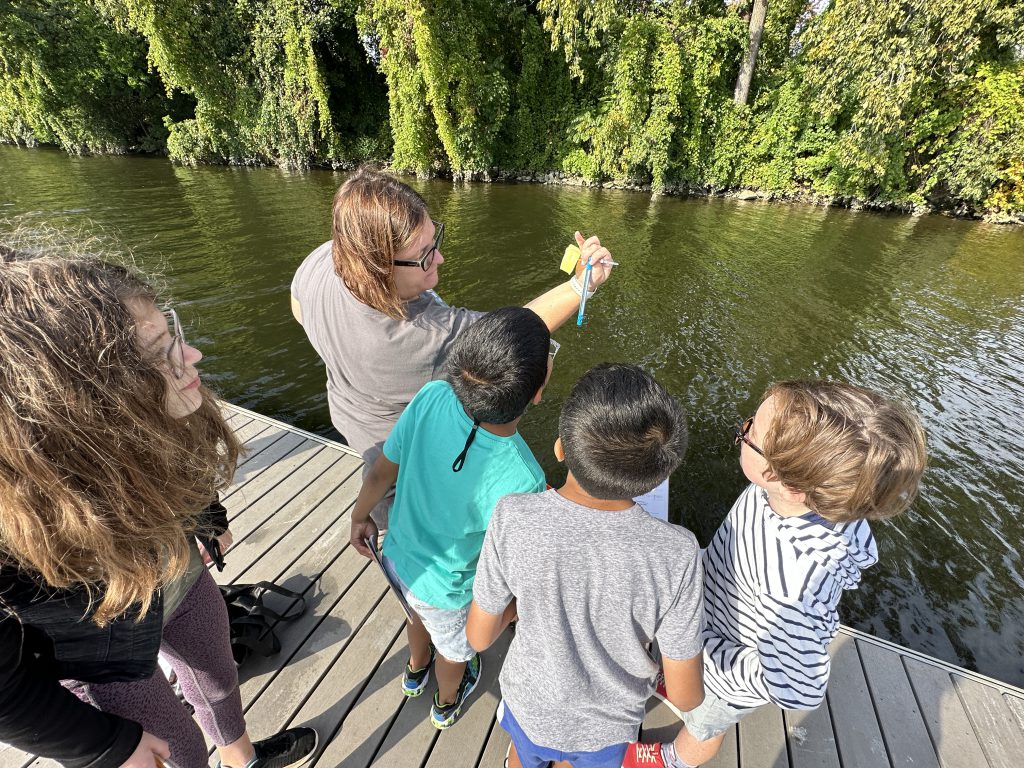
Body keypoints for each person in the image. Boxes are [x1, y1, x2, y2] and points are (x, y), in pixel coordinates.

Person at [0, 248, 317, 768]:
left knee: (218, 678)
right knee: (179, 752)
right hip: (101, 645)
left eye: (172, 337)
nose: (191, 357)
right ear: (75, 402)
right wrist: (103, 745)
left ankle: (243, 761)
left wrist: (208, 515)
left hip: (181, 578)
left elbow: (181, 465)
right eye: (156, 354)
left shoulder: (155, 416)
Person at [621, 381, 928, 768]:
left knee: (704, 728)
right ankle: (681, 678)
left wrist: (713, 662)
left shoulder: (793, 584)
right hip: (713, 621)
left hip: (722, 672)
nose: (743, 430)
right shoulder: (785, 496)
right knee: (687, 681)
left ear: (792, 483)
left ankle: (672, 759)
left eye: (750, 432)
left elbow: (799, 685)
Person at [290, 165, 614, 470]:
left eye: (434, 241)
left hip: (350, 416)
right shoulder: (423, 336)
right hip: (406, 450)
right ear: (379, 267)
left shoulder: (325, 258)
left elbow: (298, 307)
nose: (440, 258)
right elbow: (516, 332)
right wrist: (581, 285)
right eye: (423, 256)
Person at [467, 363, 706, 768]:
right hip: (608, 732)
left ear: (561, 448)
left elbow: (477, 637)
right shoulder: (678, 553)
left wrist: (527, 597)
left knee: (522, 758)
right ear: (656, 479)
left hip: (530, 708)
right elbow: (686, 697)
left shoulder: (514, 515)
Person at [348, 307, 553, 730]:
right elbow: (512, 565)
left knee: (414, 618)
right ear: (536, 392)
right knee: (456, 653)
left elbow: (381, 471)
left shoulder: (431, 396)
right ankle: (444, 701)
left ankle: (413, 670)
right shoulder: (525, 475)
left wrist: (359, 515)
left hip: (398, 561)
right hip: (451, 591)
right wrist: (510, 611)